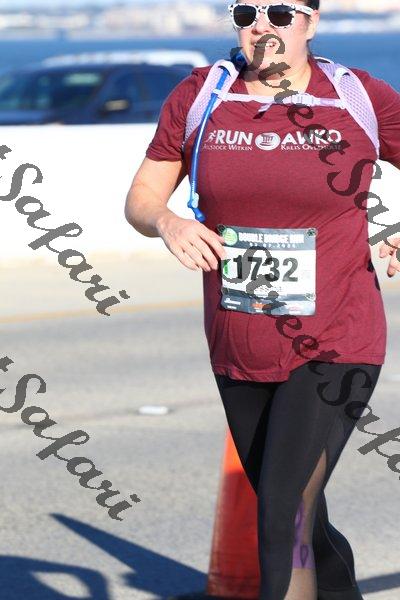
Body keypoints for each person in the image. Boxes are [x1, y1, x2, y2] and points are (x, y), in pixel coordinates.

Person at [124, 1, 400, 598]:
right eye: (247, 11)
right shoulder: (202, 96)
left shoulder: (356, 97)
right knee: (301, 517)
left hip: (337, 337)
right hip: (238, 339)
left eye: (280, 11)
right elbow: (142, 196)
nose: (262, 25)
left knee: (283, 510)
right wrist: (168, 222)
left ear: (312, 22)